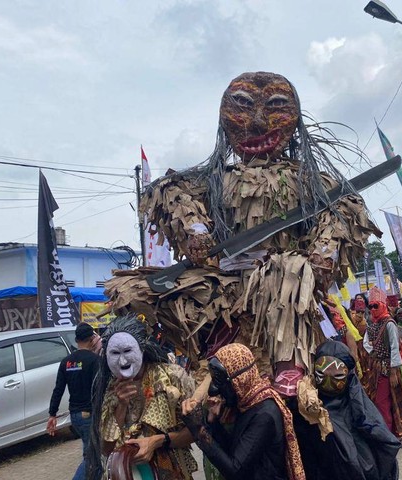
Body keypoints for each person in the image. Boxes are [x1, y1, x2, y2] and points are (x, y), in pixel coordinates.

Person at [104, 71, 380, 385]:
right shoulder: (215, 179)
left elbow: (346, 207)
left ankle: (287, 364)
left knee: (287, 269)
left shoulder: (308, 180)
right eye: (243, 105)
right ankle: (153, 367)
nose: (259, 122)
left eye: (275, 105)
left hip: (283, 280)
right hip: (224, 279)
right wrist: (195, 229)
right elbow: (170, 191)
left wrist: (325, 251)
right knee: (129, 290)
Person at [87, 314, 197, 480]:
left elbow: (196, 431)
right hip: (128, 472)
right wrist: (121, 405)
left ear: (142, 349)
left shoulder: (172, 378)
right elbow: (107, 449)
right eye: (115, 353)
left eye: (127, 351)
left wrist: (158, 441)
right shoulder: (110, 389)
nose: (122, 360)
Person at [181, 343, 305, 480]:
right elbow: (234, 451)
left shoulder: (264, 415)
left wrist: (199, 431)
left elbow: (235, 470)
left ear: (239, 380)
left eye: (221, 383)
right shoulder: (248, 404)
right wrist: (212, 421)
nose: (215, 390)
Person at [292, 340, 400, 480]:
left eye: (337, 376)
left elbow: (380, 444)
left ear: (348, 375)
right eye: (322, 374)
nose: (328, 381)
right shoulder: (306, 408)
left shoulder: (359, 410)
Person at [47, 323, 100, 480]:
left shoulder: (66, 362)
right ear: (91, 339)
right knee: (92, 457)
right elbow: (99, 389)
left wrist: (52, 414)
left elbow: (58, 389)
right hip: (90, 414)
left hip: (75, 416)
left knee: (94, 455)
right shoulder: (95, 360)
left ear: (77, 340)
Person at [363, 287, 402, 439]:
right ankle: (389, 432)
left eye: (375, 306)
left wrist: (393, 372)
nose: (373, 309)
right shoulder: (372, 324)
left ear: (383, 305)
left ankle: (390, 434)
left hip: (388, 368)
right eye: (370, 306)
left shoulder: (389, 323)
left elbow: (394, 347)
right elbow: (366, 343)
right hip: (376, 368)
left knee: (385, 402)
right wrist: (374, 353)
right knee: (379, 401)